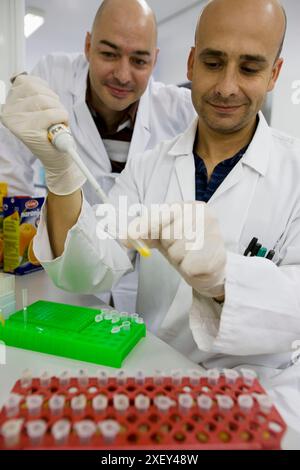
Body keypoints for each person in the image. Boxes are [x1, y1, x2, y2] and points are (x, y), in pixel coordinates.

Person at [2, 0, 300, 427]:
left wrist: (226, 282)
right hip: (157, 382)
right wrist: (62, 176)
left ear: (273, 73)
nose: (227, 86)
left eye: (250, 68)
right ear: (192, 62)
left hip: (263, 400)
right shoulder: (148, 167)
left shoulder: (295, 173)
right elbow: (89, 271)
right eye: (213, 62)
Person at [0, 0, 196, 311]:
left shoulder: (179, 110)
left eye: (140, 62)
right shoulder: (54, 77)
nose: (122, 75)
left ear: (155, 60)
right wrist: (25, 248)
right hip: (63, 271)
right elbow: (7, 166)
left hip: (143, 283)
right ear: (88, 45)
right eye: (108, 53)